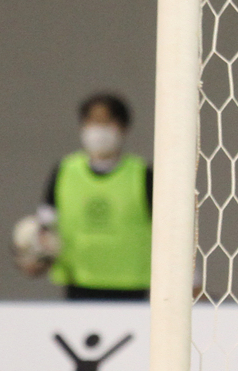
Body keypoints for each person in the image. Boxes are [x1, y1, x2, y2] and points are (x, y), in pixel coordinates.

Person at [15, 93, 153, 300]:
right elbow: (46, 223)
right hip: (78, 282)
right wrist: (35, 254)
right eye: (92, 121)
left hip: (130, 284)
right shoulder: (65, 170)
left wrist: (192, 279)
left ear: (123, 127)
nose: (98, 130)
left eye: (106, 122)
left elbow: (170, 231)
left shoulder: (142, 174)